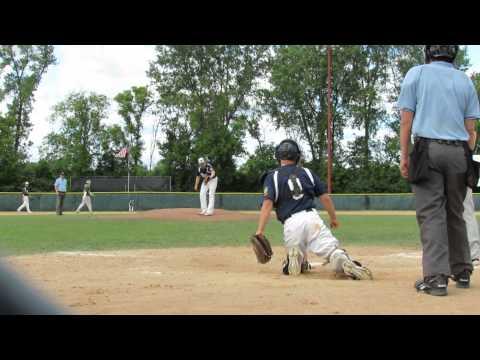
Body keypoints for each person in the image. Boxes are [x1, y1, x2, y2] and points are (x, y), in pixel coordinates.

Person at [398, 45, 480, 296]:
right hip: (459, 152)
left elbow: (406, 120)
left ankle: (436, 278)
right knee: (455, 211)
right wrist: (465, 156)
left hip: (428, 149)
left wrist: (404, 155)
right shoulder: (464, 80)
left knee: (431, 213)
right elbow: (471, 131)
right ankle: (463, 271)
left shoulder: (417, 73)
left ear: (429, 52)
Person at [255, 139, 373, 279]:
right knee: (332, 251)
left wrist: (260, 231)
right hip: (312, 219)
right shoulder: (307, 172)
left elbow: (267, 204)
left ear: (278, 156)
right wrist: (333, 218)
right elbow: (325, 198)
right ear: (297, 156)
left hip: (291, 224)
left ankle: (296, 259)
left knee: (293, 257)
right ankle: (341, 259)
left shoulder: (272, 176)